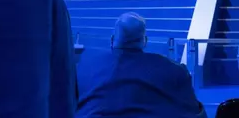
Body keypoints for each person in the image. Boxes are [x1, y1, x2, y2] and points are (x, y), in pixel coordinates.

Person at [76, 13, 206, 118]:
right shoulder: (174, 71)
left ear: (112, 39)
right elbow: (194, 112)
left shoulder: (83, 68)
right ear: (145, 41)